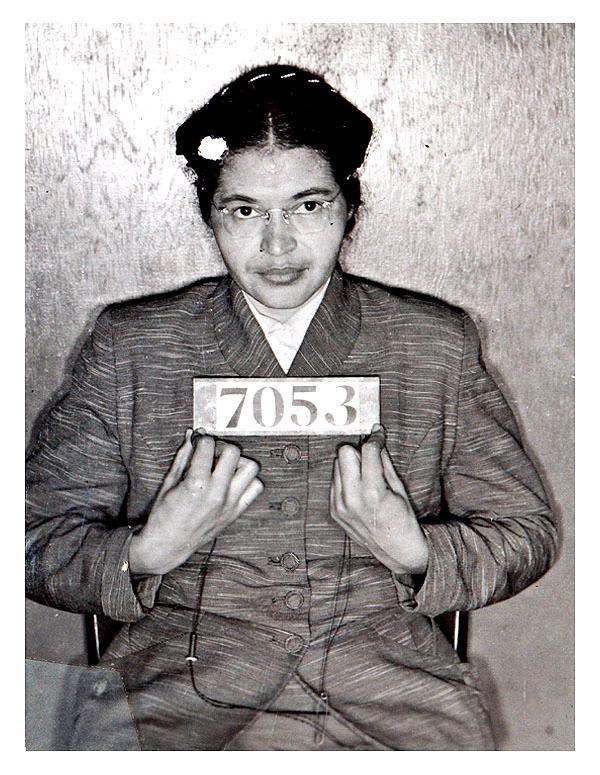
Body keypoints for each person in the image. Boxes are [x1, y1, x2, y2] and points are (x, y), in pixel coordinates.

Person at [25, 63, 558, 751]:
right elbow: (31, 540)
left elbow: (526, 531)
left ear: (348, 207)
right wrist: (147, 551)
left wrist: (416, 550)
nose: (276, 246)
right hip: (174, 689)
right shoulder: (131, 346)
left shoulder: (434, 344)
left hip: (391, 689)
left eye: (308, 206)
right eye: (245, 211)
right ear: (210, 216)